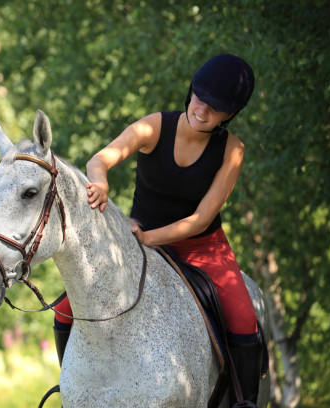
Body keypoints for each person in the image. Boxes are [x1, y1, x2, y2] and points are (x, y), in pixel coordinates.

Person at [52, 53, 262, 406]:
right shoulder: (154, 127)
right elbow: (99, 159)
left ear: (230, 115)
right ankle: (75, 389)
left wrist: (150, 238)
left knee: (243, 318)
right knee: (63, 309)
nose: (202, 110)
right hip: (137, 243)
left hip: (201, 246)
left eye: (215, 108)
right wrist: (99, 182)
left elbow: (200, 217)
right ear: (191, 92)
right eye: (200, 98)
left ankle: (246, 403)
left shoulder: (232, 151)